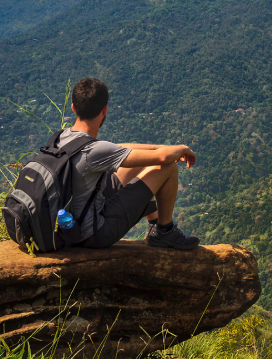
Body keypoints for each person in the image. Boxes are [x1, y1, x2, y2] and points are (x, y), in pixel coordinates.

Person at [57, 77, 199, 249]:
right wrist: (182, 148)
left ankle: (154, 223)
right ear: (105, 110)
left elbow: (119, 148)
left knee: (136, 163)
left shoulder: (61, 137)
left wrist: (162, 148)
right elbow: (162, 159)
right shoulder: (94, 151)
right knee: (168, 167)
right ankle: (165, 231)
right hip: (94, 233)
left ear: (73, 108)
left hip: (74, 221)